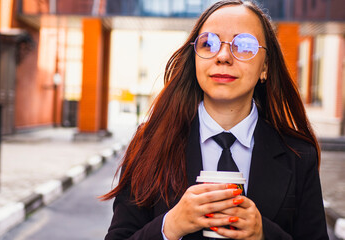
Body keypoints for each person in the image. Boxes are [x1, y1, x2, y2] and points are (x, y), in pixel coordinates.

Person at [100, 0, 329, 239]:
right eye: (209, 43)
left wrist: (264, 234)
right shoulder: (151, 142)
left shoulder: (298, 155)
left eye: (244, 45)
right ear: (195, 58)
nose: (223, 56)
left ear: (265, 67)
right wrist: (171, 226)